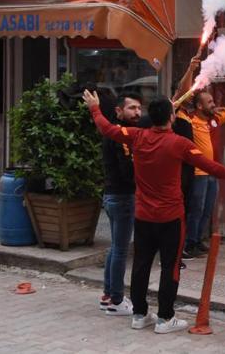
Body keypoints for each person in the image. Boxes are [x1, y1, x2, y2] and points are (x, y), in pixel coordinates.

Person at [82, 90, 225, 334]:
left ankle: (139, 314)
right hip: (170, 218)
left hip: (144, 216)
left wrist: (94, 108)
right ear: (171, 118)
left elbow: (107, 128)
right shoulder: (179, 144)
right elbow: (209, 165)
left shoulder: (136, 136)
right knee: (171, 267)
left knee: (141, 265)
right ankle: (165, 318)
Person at [178, 83, 225, 259]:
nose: (214, 104)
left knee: (207, 210)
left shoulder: (215, 119)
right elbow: (178, 99)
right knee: (195, 209)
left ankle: (197, 241)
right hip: (197, 174)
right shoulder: (189, 119)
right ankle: (189, 245)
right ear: (199, 106)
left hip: (212, 173)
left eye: (213, 101)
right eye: (210, 102)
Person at [99, 92, 143, 316]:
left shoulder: (118, 131)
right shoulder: (120, 135)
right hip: (122, 196)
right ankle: (116, 299)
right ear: (118, 111)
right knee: (120, 249)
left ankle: (108, 293)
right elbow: (127, 171)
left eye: (139, 108)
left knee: (115, 246)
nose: (137, 112)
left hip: (112, 195)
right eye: (132, 108)